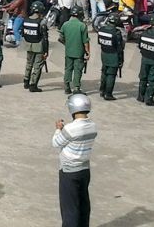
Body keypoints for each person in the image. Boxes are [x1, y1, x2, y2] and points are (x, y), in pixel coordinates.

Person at [52, 94, 97, 227]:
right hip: (84, 170)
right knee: (83, 203)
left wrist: (58, 129)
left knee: (70, 208)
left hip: (69, 172)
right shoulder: (93, 126)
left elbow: (56, 143)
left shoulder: (70, 129)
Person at [60, 6, 89, 94]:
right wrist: (88, 52)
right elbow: (86, 42)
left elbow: (61, 38)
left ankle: (67, 86)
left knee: (68, 69)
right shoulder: (82, 26)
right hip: (79, 52)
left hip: (68, 51)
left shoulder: (65, 24)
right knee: (77, 70)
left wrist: (67, 44)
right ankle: (76, 88)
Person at [22, 1, 49, 93]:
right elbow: (45, 38)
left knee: (29, 64)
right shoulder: (41, 22)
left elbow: (23, 33)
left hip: (28, 45)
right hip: (39, 46)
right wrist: (46, 51)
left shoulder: (25, 20)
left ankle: (26, 81)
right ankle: (33, 85)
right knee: (37, 66)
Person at [97, 14, 124, 101]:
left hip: (104, 54)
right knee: (111, 75)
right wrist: (121, 60)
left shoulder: (101, 29)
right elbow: (119, 48)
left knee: (104, 73)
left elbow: (99, 42)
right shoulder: (116, 33)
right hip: (113, 56)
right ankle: (108, 94)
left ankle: (102, 90)